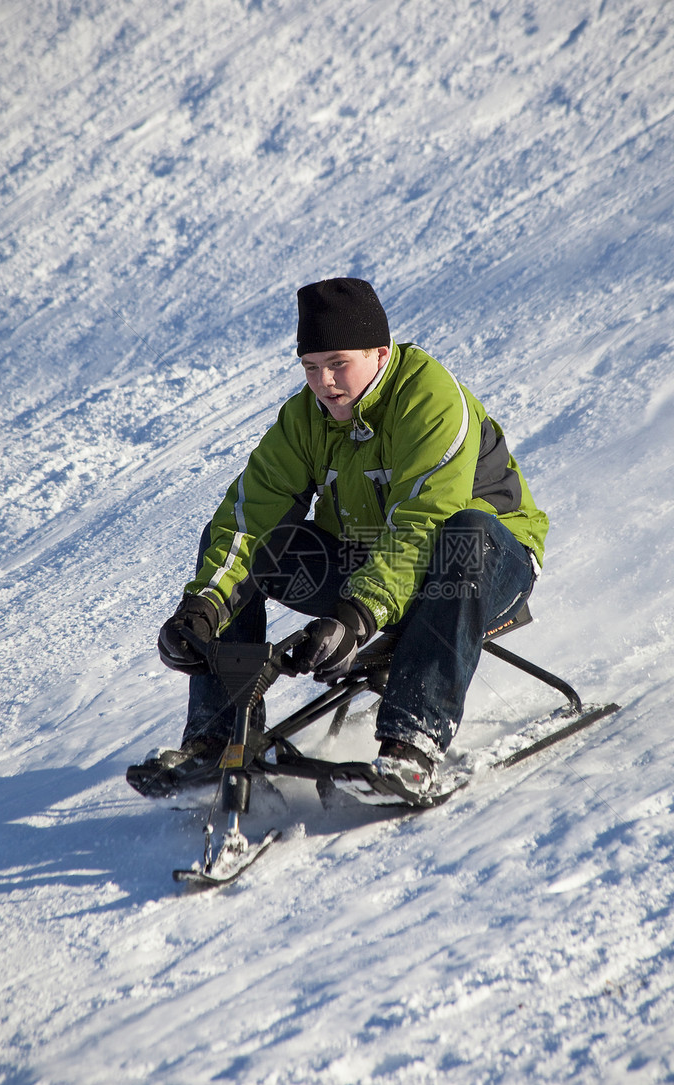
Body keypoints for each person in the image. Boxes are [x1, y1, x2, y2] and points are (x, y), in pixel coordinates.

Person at [134, 277, 548, 805]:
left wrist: (357, 615)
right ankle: (217, 738)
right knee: (262, 546)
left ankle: (413, 744)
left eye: (337, 363)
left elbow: (422, 524)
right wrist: (202, 609)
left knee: (465, 534)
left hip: (485, 568)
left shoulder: (429, 399)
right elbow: (247, 520)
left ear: (380, 353)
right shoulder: (304, 419)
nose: (324, 382)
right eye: (310, 367)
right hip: (374, 569)